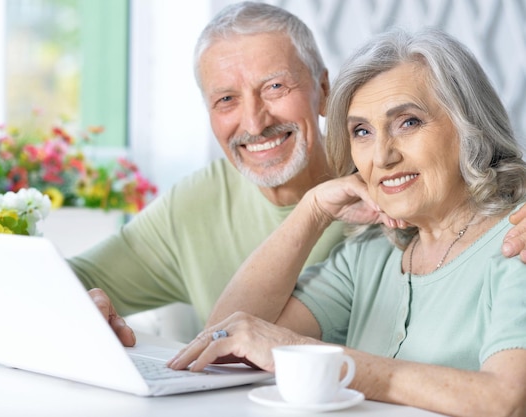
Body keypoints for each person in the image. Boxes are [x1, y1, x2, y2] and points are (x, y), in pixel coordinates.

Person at [72, 2, 526, 347]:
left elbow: (485, 181)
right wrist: (83, 310)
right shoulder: (194, 204)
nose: (253, 123)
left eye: (275, 87)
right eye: (225, 99)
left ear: (324, 91)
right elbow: (63, 281)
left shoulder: (400, 187)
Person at [168, 28, 526, 416]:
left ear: (468, 126)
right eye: (362, 131)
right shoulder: (368, 255)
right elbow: (222, 343)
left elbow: (505, 402)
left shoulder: (516, 245)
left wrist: (322, 359)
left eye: (408, 122)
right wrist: (313, 210)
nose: (382, 156)